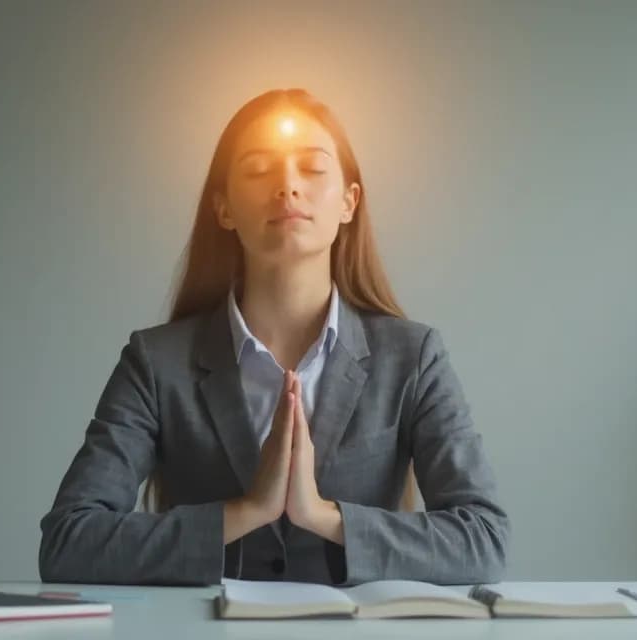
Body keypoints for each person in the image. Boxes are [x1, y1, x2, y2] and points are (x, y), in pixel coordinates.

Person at [38, 88, 508, 586]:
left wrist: (324, 516)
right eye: (259, 171)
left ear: (349, 202)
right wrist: (247, 509)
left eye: (312, 168)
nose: (287, 187)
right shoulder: (156, 362)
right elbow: (69, 542)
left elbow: (483, 540)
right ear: (223, 209)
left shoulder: (413, 358)